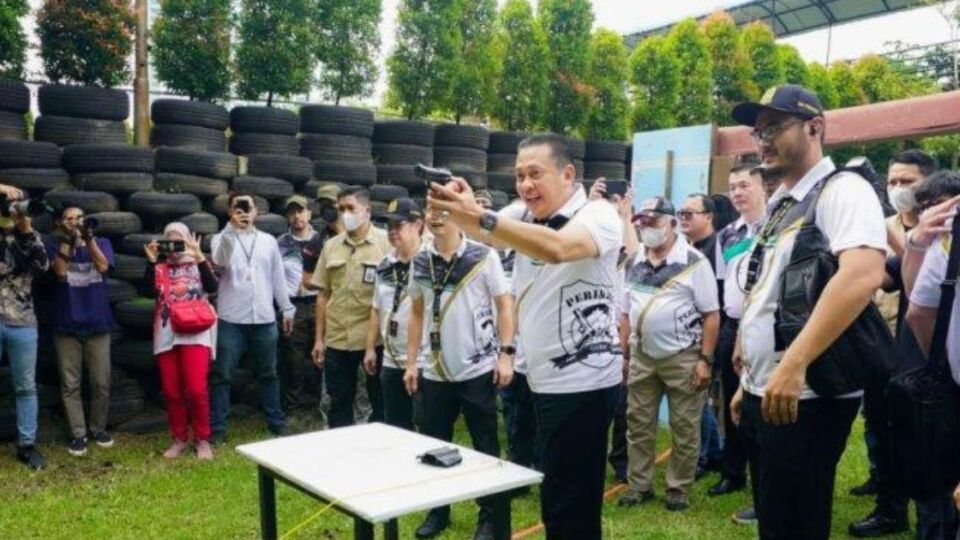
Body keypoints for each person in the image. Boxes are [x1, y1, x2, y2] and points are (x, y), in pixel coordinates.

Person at [427, 133, 623, 540]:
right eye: (519, 176)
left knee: (571, 502)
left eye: (536, 174)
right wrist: (462, 204)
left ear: (568, 174)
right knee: (554, 491)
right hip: (538, 378)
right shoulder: (521, 213)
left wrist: (481, 218)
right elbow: (485, 232)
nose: (525, 185)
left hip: (583, 381)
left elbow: (558, 248)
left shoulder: (598, 214)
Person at [729, 85, 888, 539]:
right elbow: (765, 291)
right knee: (775, 516)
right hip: (771, 388)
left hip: (808, 393)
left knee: (796, 522)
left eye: (774, 128)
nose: (762, 140)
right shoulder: (783, 201)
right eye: (757, 132)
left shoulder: (843, 190)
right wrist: (751, 380)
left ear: (815, 127)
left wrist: (794, 363)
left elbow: (861, 274)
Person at [402, 203, 514, 540]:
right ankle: (438, 511)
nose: (434, 216)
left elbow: (504, 303)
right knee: (435, 445)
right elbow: (417, 313)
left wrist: (506, 354)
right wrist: (411, 362)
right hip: (436, 371)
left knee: (485, 446)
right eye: (429, 210)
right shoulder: (420, 260)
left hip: (477, 368)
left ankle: (490, 516)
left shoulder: (483, 256)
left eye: (441, 210)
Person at [849, 150, 939, 538]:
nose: (898, 189)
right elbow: (885, 278)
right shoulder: (879, 225)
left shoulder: (942, 229)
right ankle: (891, 507)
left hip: (933, 354)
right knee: (886, 429)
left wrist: (906, 242)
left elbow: (919, 274)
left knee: (926, 439)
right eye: (893, 181)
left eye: (908, 182)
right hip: (889, 348)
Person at [617, 196, 720, 512]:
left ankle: (678, 489)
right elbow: (623, 313)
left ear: (672, 223)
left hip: (683, 357)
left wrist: (705, 359)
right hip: (642, 356)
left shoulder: (693, 262)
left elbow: (711, 314)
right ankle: (639, 485)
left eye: (654, 222)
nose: (647, 228)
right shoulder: (633, 262)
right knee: (638, 424)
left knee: (685, 426)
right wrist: (624, 355)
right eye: (643, 223)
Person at [209, 192, 294, 443]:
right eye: (238, 207)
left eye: (248, 207)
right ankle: (218, 429)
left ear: (257, 211)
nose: (244, 211)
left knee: (269, 373)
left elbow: (277, 276)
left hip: (264, 318)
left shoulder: (268, 241)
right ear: (229, 211)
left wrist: (286, 307)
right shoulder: (221, 238)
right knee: (222, 374)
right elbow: (219, 261)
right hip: (231, 318)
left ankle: (275, 422)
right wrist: (230, 229)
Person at [902, 174, 960, 540]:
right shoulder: (941, 244)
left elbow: (917, 312)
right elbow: (915, 300)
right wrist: (916, 242)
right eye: (924, 207)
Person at [708, 165, 766, 526]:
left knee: (758, 408)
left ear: (763, 186)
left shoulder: (775, 228)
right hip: (731, 323)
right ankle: (733, 471)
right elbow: (721, 283)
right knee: (731, 402)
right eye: (733, 187)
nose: (738, 192)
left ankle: (766, 486)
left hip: (761, 325)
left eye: (745, 185)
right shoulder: (727, 235)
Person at [311, 186, 389, 428]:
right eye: (341, 209)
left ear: (367, 211)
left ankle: (378, 451)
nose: (345, 214)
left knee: (379, 401)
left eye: (350, 208)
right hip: (338, 338)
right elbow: (323, 295)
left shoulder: (385, 244)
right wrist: (319, 339)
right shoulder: (331, 246)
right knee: (338, 401)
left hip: (373, 340)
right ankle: (339, 452)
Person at [144, 223, 218, 460]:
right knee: (172, 391)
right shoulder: (161, 265)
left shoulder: (198, 262)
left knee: (196, 390)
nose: (175, 247)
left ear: (188, 239)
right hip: (167, 333)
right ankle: (178, 438)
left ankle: (203, 438)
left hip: (195, 331)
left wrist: (198, 257)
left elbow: (213, 287)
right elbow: (147, 292)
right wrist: (152, 261)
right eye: (170, 241)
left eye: (179, 240)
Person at [47, 204, 116, 457]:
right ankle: (78, 435)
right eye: (69, 219)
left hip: (98, 325)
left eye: (79, 218)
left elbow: (104, 267)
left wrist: (88, 240)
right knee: (70, 384)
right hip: (66, 326)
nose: (75, 222)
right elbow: (60, 271)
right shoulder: (54, 244)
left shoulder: (103, 242)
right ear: (61, 223)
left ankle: (98, 428)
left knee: (101, 382)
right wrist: (68, 240)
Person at [364, 198, 425, 431]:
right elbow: (377, 307)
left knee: (424, 424)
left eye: (398, 225)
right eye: (388, 226)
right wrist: (370, 347)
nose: (392, 232)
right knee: (396, 425)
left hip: (422, 358)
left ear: (417, 225)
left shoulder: (429, 262)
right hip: (390, 357)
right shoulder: (384, 263)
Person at [0, 184, 49, 469]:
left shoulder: (28, 238)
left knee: (26, 386)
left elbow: (43, 267)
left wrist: (26, 227)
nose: (12, 207)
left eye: (17, 203)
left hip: (23, 320)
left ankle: (27, 445)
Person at [678, 193, 724, 480]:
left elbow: (718, 299)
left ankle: (705, 456)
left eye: (690, 213)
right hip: (686, 334)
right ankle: (713, 453)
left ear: (708, 216)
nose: (683, 217)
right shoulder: (683, 248)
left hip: (710, 331)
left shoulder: (718, 247)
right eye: (681, 212)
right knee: (698, 395)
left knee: (699, 394)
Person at [276, 195, 327, 429]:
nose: (297, 216)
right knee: (292, 360)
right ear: (287, 216)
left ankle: (317, 406)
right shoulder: (280, 244)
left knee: (318, 357)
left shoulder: (322, 241)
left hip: (317, 302)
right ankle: (293, 409)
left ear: (309, 214)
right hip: (291, 306)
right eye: (292, 212)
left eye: (302, 211)